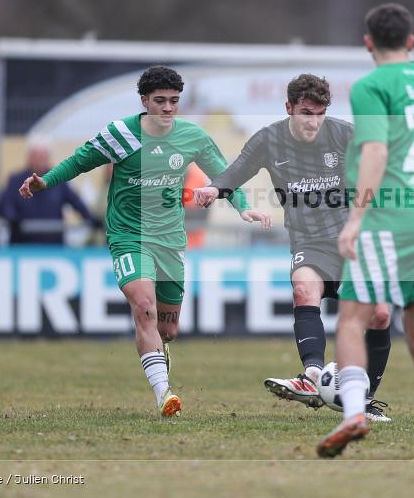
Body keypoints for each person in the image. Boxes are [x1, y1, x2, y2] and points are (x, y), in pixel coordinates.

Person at [19, 65, 269, 417]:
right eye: (160, 101)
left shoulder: (192, 136)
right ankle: (163, 394)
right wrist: (45, 181)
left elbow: (223, 174)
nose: (168, 108)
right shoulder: (121, 134)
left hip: (169, 240)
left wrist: (244, 208)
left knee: (168, 328)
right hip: (128, 235)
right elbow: (80, 161)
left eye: (174, 101)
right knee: (144, 307)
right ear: (144, 101)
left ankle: (160, 351)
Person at [316, 3, 414, 460]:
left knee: (352, 319)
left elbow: (375, 153)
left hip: (388, 220)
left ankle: (352, 414)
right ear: (410, 41)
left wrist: (355, 219)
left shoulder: (371, 86)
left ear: (368, 43)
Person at [194, 73, 394, 422]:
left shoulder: (343, 133)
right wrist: (215, 189)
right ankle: (313, 376)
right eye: (305, 113)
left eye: (319, 113)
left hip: (352, 239)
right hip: (310, 241)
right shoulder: (268, 140)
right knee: (304, 290)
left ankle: (363, 399)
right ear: (289, 108)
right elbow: (237, 171)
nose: (313, 121)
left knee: (379, 315)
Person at [0, 142, 100, 244]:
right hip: (23, 244)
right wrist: (12, 219)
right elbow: (6, 204)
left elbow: (75, 201)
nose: (40, 161)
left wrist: (90, 218)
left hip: (52, 246)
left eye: (43, 157)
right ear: (29, 158)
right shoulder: (16, 180)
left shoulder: (58, 180)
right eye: (37, 157)